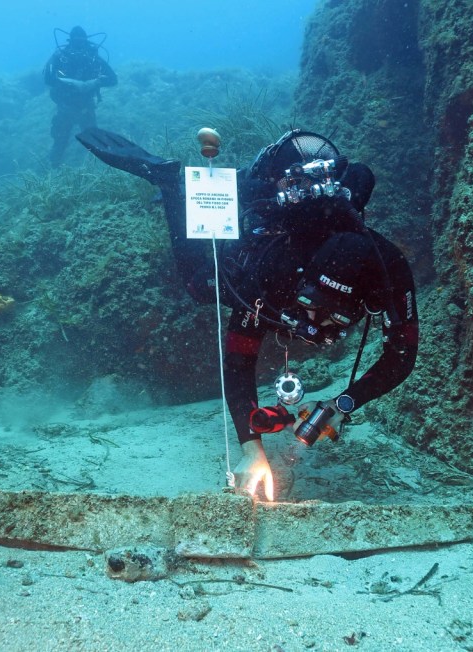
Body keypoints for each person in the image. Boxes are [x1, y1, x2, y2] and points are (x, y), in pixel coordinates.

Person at [76, 128, 419, 500]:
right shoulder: (275, 270)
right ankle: (171, 182)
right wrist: (251, 449)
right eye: (312, 308)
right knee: (199, 286)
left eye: (335, 317)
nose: (318, 324)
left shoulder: (389, 269)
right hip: (268, 244)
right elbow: (238, 362)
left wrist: (343, 404)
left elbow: (401, 356)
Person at [42, 26, 118, 166]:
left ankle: (98, 169)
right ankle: (52, 170)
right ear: (70, 42)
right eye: (76, 42)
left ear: (86, 42)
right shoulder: (60, 57)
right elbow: (47, 78)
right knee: (60, 143)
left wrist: (95, 82)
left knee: (94, 143)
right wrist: (70, 83)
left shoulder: (93, 58)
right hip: (65, 108)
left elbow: (113, 79)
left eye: (81, 42)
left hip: (86, 107)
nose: (79, 45)